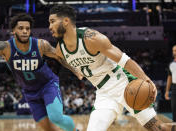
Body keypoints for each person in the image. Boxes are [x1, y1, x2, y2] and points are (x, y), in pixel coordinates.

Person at [48, 5, 176, 131]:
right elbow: (61, 60)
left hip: (123, 83)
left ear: (66, 21)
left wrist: (146, 79)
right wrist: (76, 71)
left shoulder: (91, 38)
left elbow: (125, 61)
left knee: (158, 128)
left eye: (52, 21)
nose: (50, 27)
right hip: (104, 93)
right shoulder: (60, 50)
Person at [0, 13, 81, 131]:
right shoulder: (5, 47)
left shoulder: (40, 45)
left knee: (56, 118)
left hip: (48, 85)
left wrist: (76, 70)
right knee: (48, 128)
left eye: (27, 29)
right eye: (21, 28)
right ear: (13, 30)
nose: (25, 31)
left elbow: (60, 57)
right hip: (29, 91)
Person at [165, 45, 176, 122]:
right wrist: (167, 91)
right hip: (174, 88)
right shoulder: (171, 64)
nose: (174, 52)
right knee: (174, 109)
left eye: (175, 50)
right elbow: (169, 78)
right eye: (173, 50)